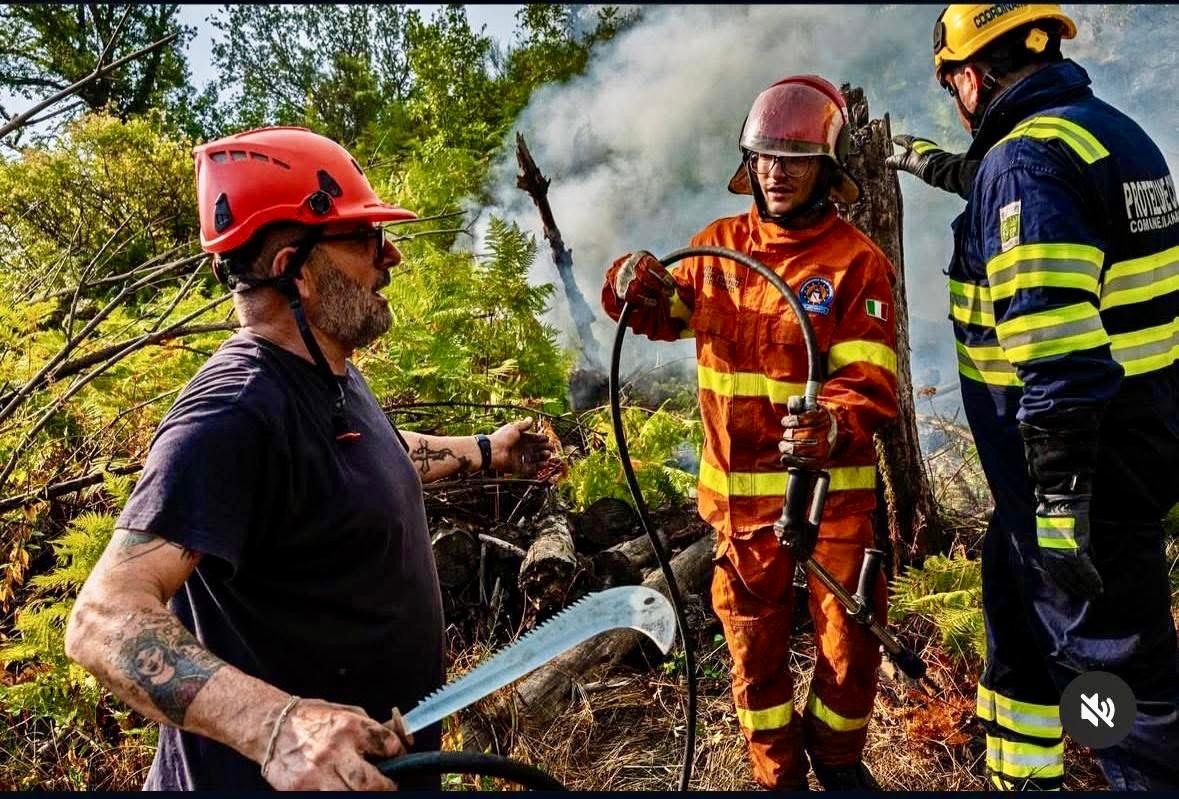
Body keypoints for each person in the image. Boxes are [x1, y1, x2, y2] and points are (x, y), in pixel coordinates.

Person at [64, 126, 554, 791]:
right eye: (362, 239)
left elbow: (370, 462)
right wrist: (278, 725)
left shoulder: (328, 374)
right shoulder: (233, 410)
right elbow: (103, 618)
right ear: (293, 265)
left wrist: (487, 451)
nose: (392, 256)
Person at [887, 4, 1179, 790]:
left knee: (1110, 679)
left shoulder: (1026, 165)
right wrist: (920, 160)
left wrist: (1059, 504)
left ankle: (1136, 773)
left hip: (1082, 487)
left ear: (972, 77)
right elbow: (999, 182)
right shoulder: (1106, 133)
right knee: (1016, 627)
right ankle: (1023, 775)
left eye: (950, 83)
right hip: (1110, 459)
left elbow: (1059, 356)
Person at [601, 75, 899, 790]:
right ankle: (777, 777)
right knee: (753, 652)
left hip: (834, 499)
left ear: (825, 167)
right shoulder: (718, 247)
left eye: (793, 157)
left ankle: (837, 762)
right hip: (738, 508)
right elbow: (662, 313)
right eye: (764, 155)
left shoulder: (855, 262)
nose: (775, 170)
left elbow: (870, 379)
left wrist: (831, 422)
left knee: (847, 644)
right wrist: (629, 282)